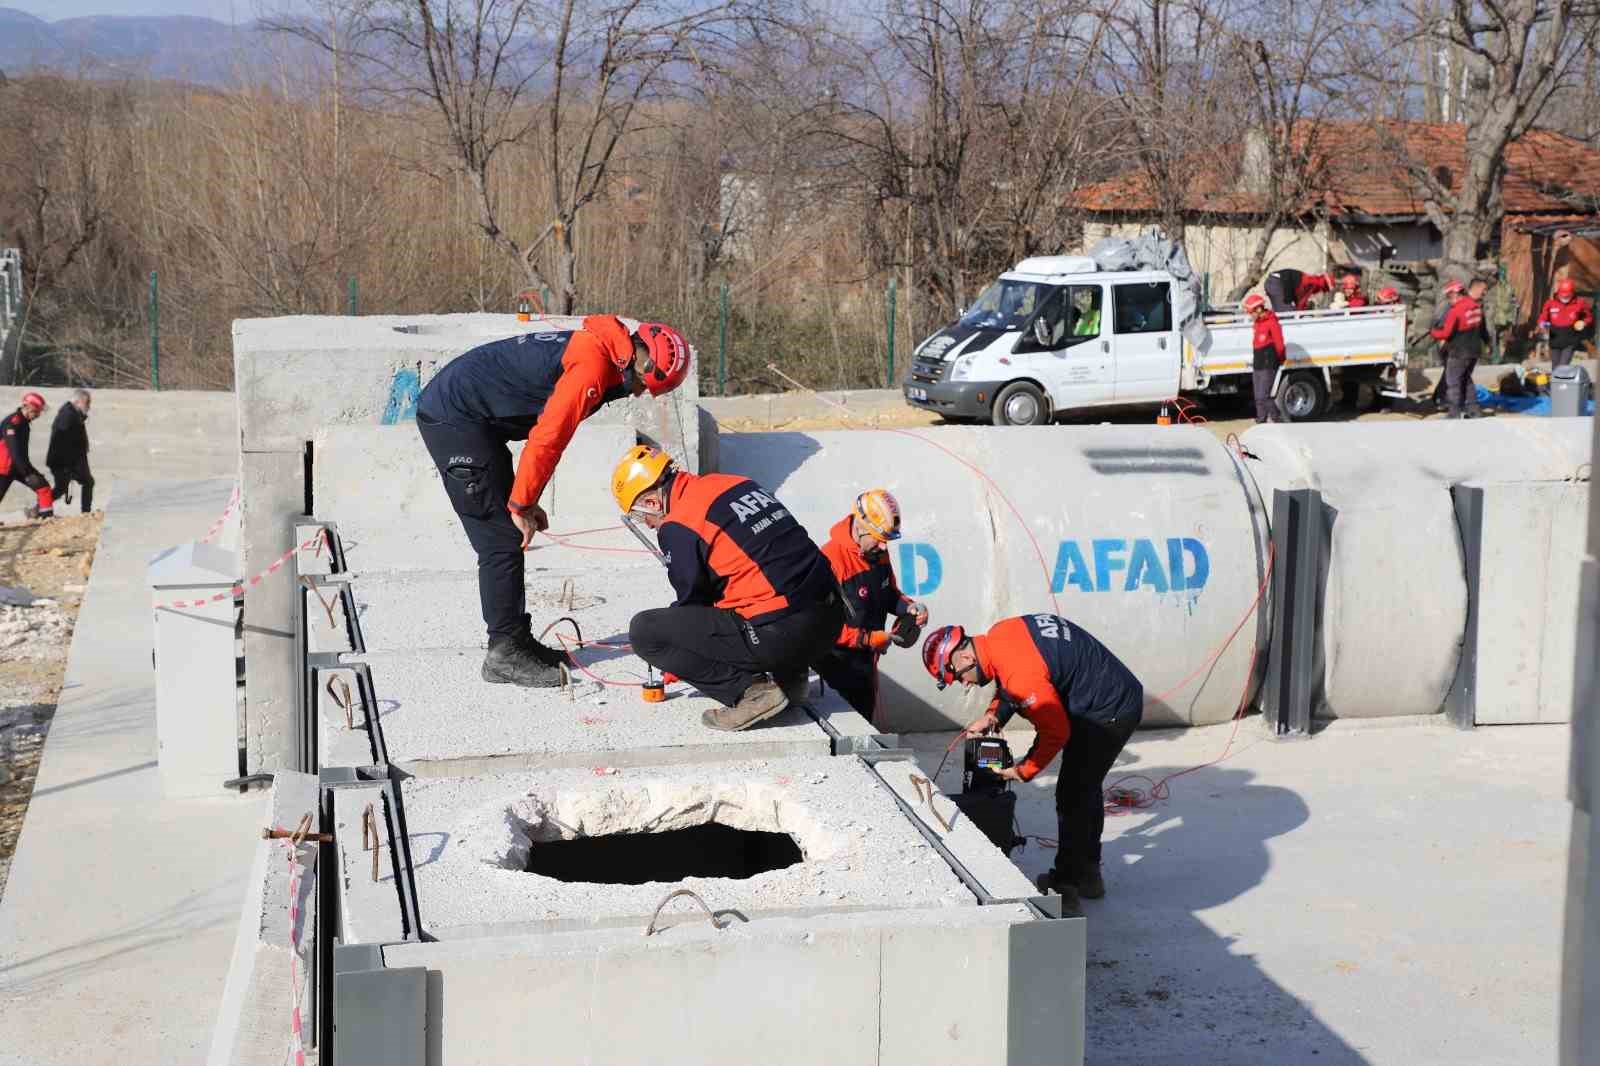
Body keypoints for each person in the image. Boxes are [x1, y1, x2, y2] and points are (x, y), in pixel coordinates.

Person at [415, 315, 691, 687]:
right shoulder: (592, 368)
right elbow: (548, 439)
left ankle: (517, 641)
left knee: (507, 529)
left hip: (476, 418)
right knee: (498, 539)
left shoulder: (600, 348)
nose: (640, 392)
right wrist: (520, 504)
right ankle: (503, 653)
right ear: (641, 363)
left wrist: (524, 499)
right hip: (455, 418)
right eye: (644, 383)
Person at [922, 614, 1144, 910]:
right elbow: (1012, 685)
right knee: (1085, 786)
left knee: (1073, 793)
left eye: (957, 676)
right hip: (1107, 694)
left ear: (963, 656)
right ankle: (1089, 874)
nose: (964, 684)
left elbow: (1056, 731)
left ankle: (1066, 886)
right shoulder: (1002, 636)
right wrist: (993, 716)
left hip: (1109, 710)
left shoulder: (1020, 676)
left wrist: (1024, 769)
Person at [616, 444, 844, 731]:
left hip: (783, 635)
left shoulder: (679, 524)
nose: (648, 525)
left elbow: (692, 602)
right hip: (830, 621)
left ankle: (753, 693)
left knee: (647, 631)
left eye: (641, 516)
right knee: (760, 585)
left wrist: (683, 656)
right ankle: (791, 677)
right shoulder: (736, 483)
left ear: (652, 503)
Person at [815, 489, 929, 723]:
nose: (885, 548)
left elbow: (889, 594)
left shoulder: (877, 554)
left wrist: (909, 608)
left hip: (866, 669)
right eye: (880, 539)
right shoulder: (830, 561)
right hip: (833, 671)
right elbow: (817, 626)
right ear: (860, 528)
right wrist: (867, 639)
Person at [1431, 277, 1491, 419]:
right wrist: (1488, 344)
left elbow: (1446, 333)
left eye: (1449, 296)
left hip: (1458, 352)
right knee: (1466, 380)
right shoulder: (1476, 307)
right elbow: (1483, 330)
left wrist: (1433, 332)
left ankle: (1454, 413)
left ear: (1456, 294)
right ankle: (1474, 410)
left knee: (1453, 383)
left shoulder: (1456, 311)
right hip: (1474, 352)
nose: (1448, 299)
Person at [0, 392, 54, 520]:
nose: (38, 414)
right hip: (4, 468)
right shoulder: (13, 423)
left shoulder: (24, 422)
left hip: (17, 466)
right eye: (36, 411)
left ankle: (46, 517)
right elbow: (14, 451)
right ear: (28, 407)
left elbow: (21, 454)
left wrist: (27, 470)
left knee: (43, 487)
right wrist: (27, 472)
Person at [46, 389, 94, 514]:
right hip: (64, 460)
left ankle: (86, 512)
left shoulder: (73, 414)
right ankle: (86, 512)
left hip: (71, 460)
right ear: (78, 402)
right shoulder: (67, 415)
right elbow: (61, 439)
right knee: (65, 486)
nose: (89, 406)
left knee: (84, 482)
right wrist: (68, 464)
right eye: (87, 403)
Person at [1244, 293, 1285, 423]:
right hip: (1258, 364)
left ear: (1259, 309)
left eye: (1251, 312)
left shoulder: (1272, 322)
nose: (1250, 316)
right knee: (1258, 397)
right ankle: (1261, 421)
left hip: (1268, 365)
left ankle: (1277, 418)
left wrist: (1279, 360)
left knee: (1264, 396)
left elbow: (1279, 345)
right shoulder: (1257, 324)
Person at [1537, 278, 1593, 370]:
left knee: (1563, 366)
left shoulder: (1580, 304)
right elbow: (1543, 317)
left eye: (1567, 296)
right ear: (1558, 292)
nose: (1564, 298)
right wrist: (1541, 324)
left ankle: (1561, 381)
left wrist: (1584, 322)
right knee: (1555, 367)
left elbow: (1589, 317)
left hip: (1570, 340)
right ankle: (1556, 383)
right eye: (1562, 295)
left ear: (1572, 293)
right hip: (1555, 339)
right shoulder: (1550, 303)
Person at [1428, 278, 1466, 411]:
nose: (1461, 296)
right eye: (1458, 293)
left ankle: (1439, 397)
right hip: (1447, 344)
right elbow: (1442, 328)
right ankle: (1442, 398)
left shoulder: (1456, 307)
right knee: (1451, 373)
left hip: (1454, 344)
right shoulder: (1448, 309)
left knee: (1450, 372)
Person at [1263, 267, 1335, 312]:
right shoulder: (1313, 283)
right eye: (1326, 289)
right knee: (1288, 314)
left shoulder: (1310, 279)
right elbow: (1301, 301)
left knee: (1280, 312)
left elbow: (1298, 298)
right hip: (1277, 283)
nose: (1322, 291)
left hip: (1271, 282)